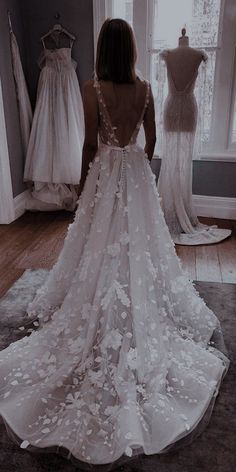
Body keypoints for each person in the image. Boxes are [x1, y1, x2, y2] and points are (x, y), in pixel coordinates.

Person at [0, 19, 229, 466]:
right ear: (132, 51)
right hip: (137, 174)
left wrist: (87, 185)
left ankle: (99, 296)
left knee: (96, 243)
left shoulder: (93, 89)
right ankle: (135, 294)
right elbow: (153, 140)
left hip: (107, 172)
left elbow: (88, 144)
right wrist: (135, 159)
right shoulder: (144, 88)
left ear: (104, 49)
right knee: (139, 246)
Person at [157, 28, 231, 245]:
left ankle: (181, 206)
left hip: (176, 107)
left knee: (181, 161)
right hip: (185, 107)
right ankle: (170, 206)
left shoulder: (198, 55)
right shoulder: (169, 54)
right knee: (172, 160)